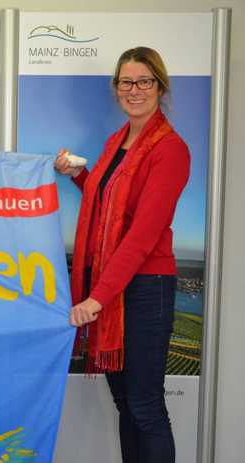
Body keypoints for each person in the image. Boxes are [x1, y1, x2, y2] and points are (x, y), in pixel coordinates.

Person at [54, 47, 190, 463]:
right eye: (126, 82)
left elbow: (142, 235)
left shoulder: (170, 150)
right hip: (114, 287)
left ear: (160, 87)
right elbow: (108, 203)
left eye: (144, 81)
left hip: (146, 288)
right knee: (125, 403)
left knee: (146, 407)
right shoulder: (119, 141)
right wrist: (80, 176)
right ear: (116, 89)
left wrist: (98, 297)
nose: (135, 90)